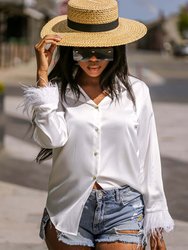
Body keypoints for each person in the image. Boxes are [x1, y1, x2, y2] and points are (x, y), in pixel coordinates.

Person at [23, 0, 174, 249]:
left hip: (123, 207)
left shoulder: (137, 92)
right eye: (83, 51)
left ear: (116, 48)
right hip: (68, 205)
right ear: (71, 50)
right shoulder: (57, 90)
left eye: (102, 50)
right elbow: (50, 139)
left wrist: (155, 221)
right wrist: (42, 77)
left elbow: (149, 157)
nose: (93, 59)